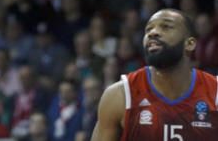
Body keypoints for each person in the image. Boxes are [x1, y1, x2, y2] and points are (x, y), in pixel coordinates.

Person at [90, 8, 218, 140]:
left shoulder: (215, 93)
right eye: (148, 29)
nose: (153, 33)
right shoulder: (119, 95)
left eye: (166, 27)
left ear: (190, 44)